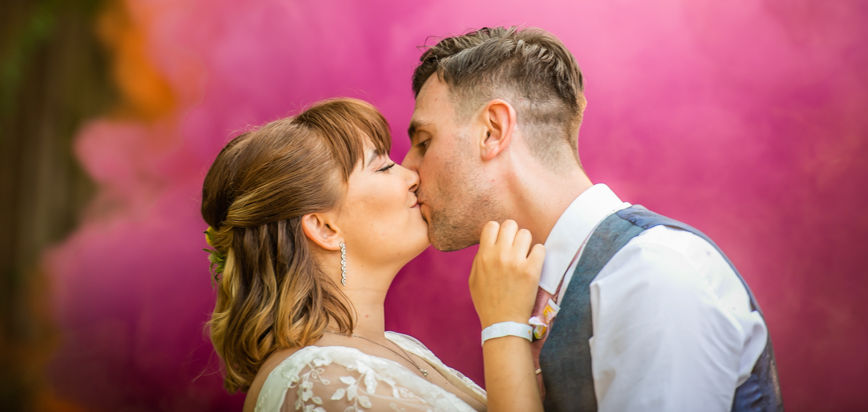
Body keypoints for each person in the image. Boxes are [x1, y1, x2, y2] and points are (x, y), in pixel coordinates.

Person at [403, 26, 783, 412]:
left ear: (492, 130)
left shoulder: (652, 273)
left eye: (423, 142)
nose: (408, 169)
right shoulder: (532, 288)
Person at [201, 97, 545, 411]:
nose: (412, 175)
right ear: (325, 228)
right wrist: (503, 327)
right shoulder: (319, 381)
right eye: (382, 167)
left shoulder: (398, 349)